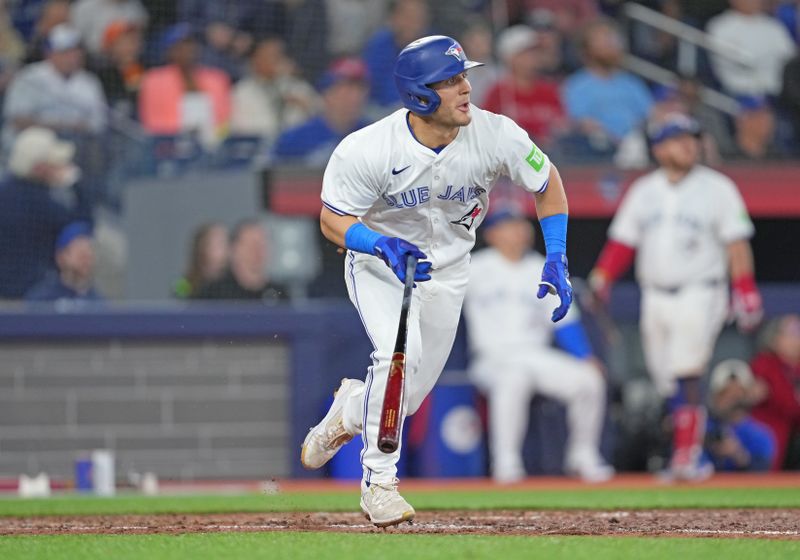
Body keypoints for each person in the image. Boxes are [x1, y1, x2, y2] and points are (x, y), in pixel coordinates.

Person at [301, 35, 573, 527]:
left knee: (403, 398)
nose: (465, 87)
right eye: (450, 81)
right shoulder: (367, 148)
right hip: (382, 265)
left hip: (449, 271)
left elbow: (546, 181)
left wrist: (556, 253)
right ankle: (379, 483)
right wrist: (378, 244)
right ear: (420, 95)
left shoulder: (496, 133)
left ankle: (349, 411)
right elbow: (332, 219)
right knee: (397, 356)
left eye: (464, 76)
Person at [588, 113, 763, 481]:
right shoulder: (644, 190)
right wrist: (603, 276)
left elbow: (736, 242)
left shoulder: (718, 187)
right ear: (659, 148)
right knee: (666, 378)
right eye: (678, 139)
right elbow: (623, 241)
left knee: (687, 370)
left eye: (692, 138)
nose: (689, 145)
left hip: (700, 291)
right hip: (655, 295)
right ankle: (705, 440)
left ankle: (687, 455)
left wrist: (744, 288)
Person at [464, 209, 613, 484]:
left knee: (589, 379)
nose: (518, 230)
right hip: (492, 359)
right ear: (492, 234)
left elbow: (566, 322)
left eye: (521, 224)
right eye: (509, 225)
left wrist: (584, 356)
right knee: (513, 379)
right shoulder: (473, 267)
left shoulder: (543, 267)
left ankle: (583, 456)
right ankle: (506, 462)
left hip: (535, 354)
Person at [0, 127, 86, 299]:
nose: (60, 167)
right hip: (36, 298)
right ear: (39, 167)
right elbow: (81, 228)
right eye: (55, 163)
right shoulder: (48, 205)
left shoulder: (5, 192)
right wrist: (75, 186)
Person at [3, 24, 107, 146]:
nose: (73, 57)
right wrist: (62, 127)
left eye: (76, 51)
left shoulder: (90, 82)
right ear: (50, 53)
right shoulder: (29, 77)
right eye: (66, 52)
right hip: (28, 145)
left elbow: (99, 123)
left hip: (76, 148)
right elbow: (18, 120)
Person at [562, 18, 653, 150]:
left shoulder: (632, 83)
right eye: (603, 40)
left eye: (613, 39)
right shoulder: (575, 86)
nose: (611, 44)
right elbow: (580, 122)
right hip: (596, 152)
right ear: (586, 49)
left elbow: (647, 116)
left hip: (636, 148)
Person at [138, 23, 231, 147]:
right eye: (180, 45)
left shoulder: (217, 79)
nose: (187, 49)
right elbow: (152, 124)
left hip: (213, 149)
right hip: (170, 149)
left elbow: (226, 121)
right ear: (169, 50)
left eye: (191, 44)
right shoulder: (154, 80)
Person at [271, 57, 370, 167]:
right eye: (347, 90)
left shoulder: (375, 137)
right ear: (327, 93)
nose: (355, 97)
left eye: (360, 89)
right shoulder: (294, 139)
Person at [483, 25, 566, 149]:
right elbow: (485, 131)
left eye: (534, 53)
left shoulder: (550, 90)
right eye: (525, 54)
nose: (532, 58)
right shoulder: (498, 92)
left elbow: (562, 125)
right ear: (509, 58)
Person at [229, 37, 318, 142]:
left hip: (298, 148)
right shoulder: (242, 91)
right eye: (269, 56)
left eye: (278, 56)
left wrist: (304, 105)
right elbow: (243, 129)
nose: (275, 60)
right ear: (255, 59)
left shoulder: (295, 86)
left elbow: (322, 115)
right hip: (260, 149)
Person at [706, 0, 795, 99]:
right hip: (737, 92)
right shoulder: (720, 26)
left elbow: (790, 57)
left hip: (776, 93)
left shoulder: (774, 26)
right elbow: (725, 65)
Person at [704, 359, 774, 472]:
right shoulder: (701, 428)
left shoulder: (760, 434)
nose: (733, 399)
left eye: (738, 393)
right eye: (726, 393)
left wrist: (738, 455)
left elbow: (763, 472)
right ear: (715, 397)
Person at [750, 314, 800, 470]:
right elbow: (785, 402)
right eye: (793, 333)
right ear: (776, 338)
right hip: (772, 433)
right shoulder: (764, 363)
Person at [194, 220, 287, 301]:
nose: (258, 251)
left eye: (262, 245)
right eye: (251, 245)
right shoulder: (213, 294)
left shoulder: (280, 295)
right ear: (234, 249)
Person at [362, 0, 430, 109]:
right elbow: (371, 85)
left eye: (419, 18)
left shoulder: (434, 46)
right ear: (394, 18)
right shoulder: (379, 45)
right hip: (382, 109)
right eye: (408, 17)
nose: (414, 23)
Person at [25, 221, 103, 302]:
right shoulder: (42, 299)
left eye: (88, 256)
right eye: (81, 256)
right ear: (60, 257)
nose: (86, 262)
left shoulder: (98, 303)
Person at [70, 0, 148, 55]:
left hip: (127, 57)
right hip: (93, 58)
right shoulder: (85, 6)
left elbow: (139, 34)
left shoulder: (134, 6)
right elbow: (75, 39)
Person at [174, 222, 229, 298]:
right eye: (219, 243)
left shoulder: (232, 285)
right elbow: (177, 304)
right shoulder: (184, 283)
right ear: (203, 246)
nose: (226, 248)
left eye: (226, 242)